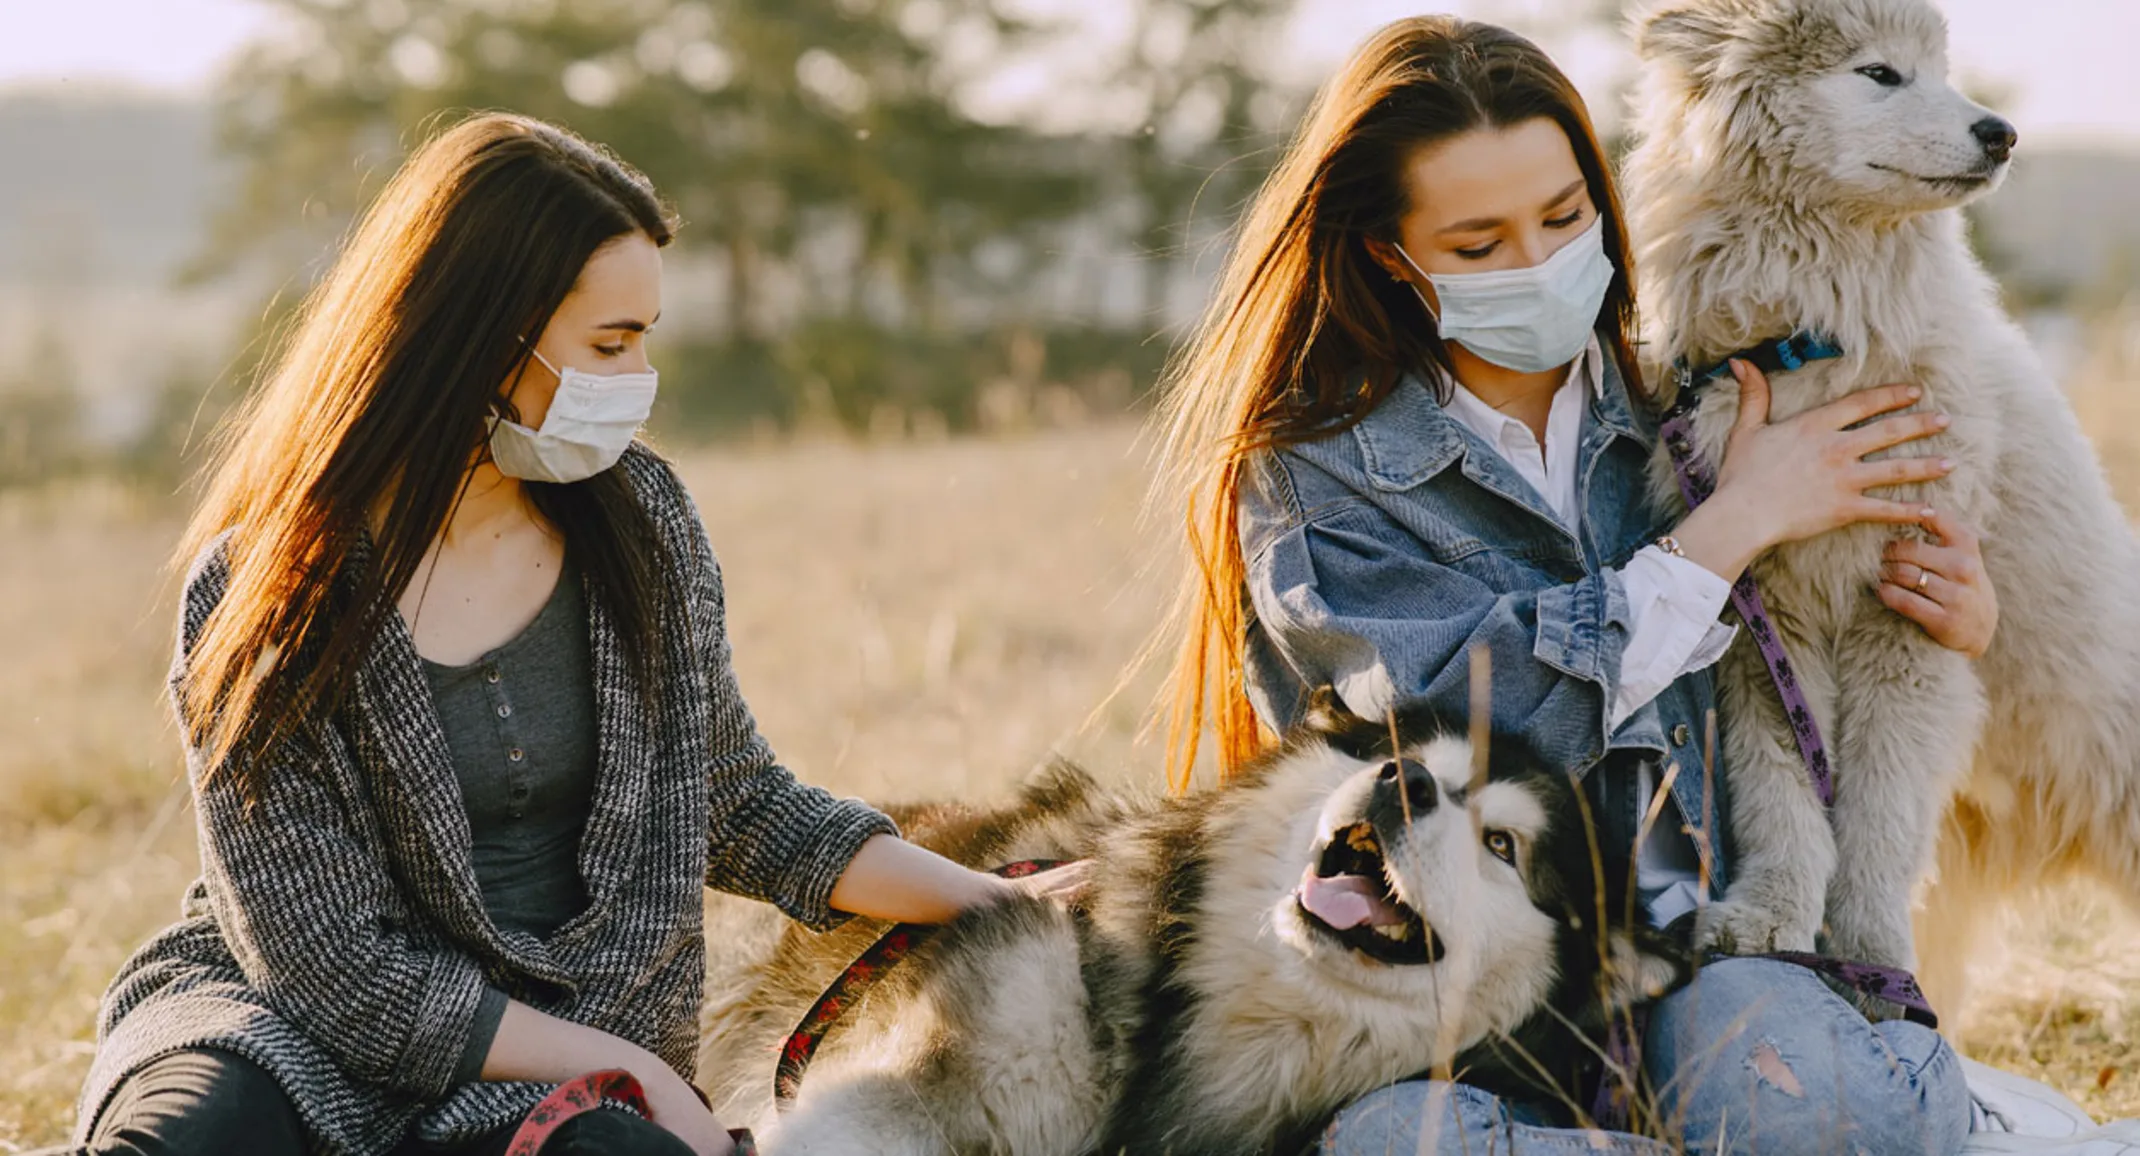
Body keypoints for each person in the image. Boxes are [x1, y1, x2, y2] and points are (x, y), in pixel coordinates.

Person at [43, 112, 1078, 1156]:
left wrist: (988, 895)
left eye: (645, 342)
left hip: (551, 1051)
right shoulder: (266, 589)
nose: (635, 383)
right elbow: (333, 973)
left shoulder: (646, 527)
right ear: (485, 339)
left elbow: (739, 801)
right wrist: (617, 1068)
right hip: (289, 1032)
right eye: (609, 344)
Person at [1145, 17, 2008, 1155]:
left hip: (1687, 944)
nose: (1538, 265)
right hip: (1447, 979)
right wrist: (1733, 525)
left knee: (1838, 1124)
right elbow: (1476, 718)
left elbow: (1803, 649)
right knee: (1399, 1144)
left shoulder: (1688, 371)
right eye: (1478, 243)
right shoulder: (1312, 473)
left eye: (1563, 219)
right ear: (1387, 257)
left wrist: (1961, 612)